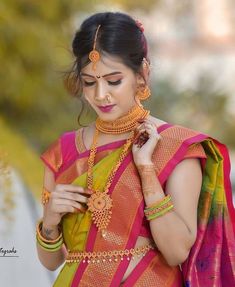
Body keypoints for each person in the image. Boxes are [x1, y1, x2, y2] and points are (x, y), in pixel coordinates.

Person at [36, 12, 235, 287]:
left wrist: (147, 171)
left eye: (114, 80)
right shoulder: (63, 152)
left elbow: (176, 251)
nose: (100, 94)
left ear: (142, 75)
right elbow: (52, 261)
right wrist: (50, 222)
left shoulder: (175, 147)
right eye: (89, 82)